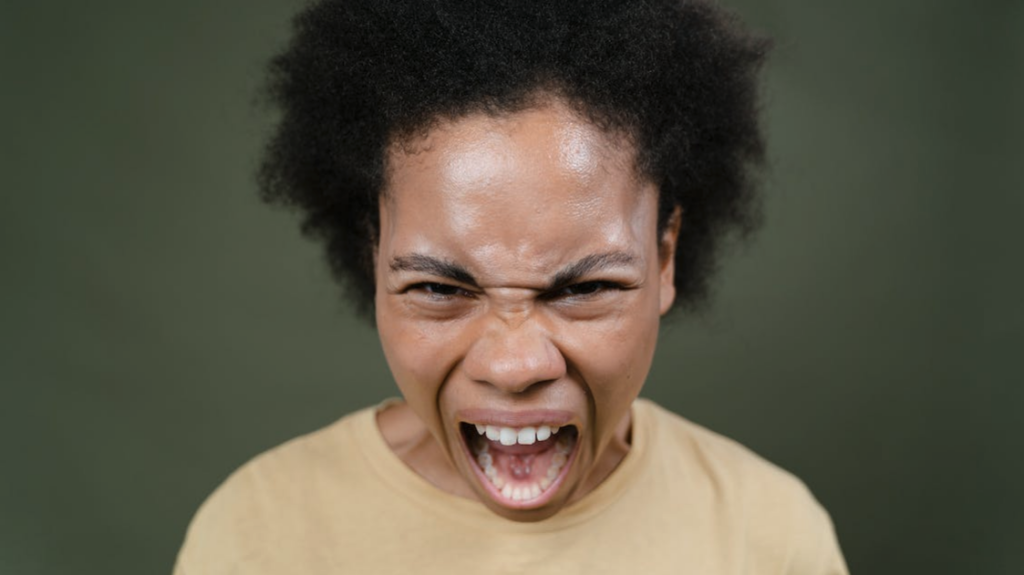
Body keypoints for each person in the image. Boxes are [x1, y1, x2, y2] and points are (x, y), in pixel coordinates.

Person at [174, 0, 848, 573]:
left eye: (584, 289)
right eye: (441, 288)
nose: (515, 365)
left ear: (665, 256)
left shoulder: (768, 537)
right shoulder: (255, 536)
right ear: (373, 254)